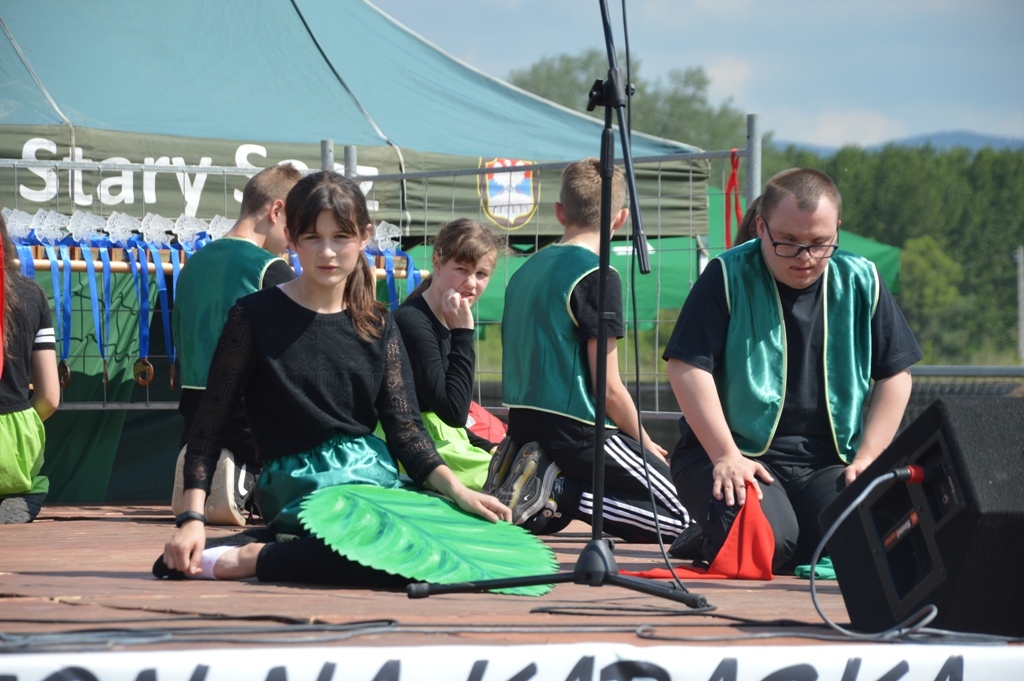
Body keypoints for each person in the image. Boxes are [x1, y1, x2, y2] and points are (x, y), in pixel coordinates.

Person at [158, 171, 510, 583]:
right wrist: (191, 520)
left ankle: (279, 548)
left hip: (372, 479)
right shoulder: (253, 316)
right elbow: (207, 427)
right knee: (394, 555)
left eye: (341, 237)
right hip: (298, 485)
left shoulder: (378, 322)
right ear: (292, 238)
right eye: (313, 237)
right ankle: (257, 558)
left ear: (363, 237)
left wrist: (458, 492)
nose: (327, 251)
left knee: (467, 540)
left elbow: (406, 431)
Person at [663, 168, 922, 572]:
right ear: (761, 228)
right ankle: (721, 532)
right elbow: (685, 366)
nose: (805, 257)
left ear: (837, 228)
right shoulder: (726, 274)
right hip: (732, 454)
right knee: (769, 545)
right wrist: (726, 454)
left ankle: (756, 531)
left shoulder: (862, 278)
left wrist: (869, 456)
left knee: (873, 539)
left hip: (826, 463)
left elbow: (895, 374)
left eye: (819, 243)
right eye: (788, 241)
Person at [488, 157, 691, 544]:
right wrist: (644, 442)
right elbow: (608, 389)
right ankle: (559, 491)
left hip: (523, 427)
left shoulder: (525, 270)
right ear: (621, 219)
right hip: (577, 431)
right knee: (685, 518)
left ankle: (542, 483)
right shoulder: (597, 274)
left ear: (559, 212)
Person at [171, 163, 301, 525]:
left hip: (194, 414)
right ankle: (246, 477)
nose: (294, 239)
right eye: (295, 225)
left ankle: (205, 469)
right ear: (276, 210)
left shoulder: (191, 265)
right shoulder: (272, 269)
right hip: (250, 418)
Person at [392, 219, 504, 490]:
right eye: (462, 269)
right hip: (410, 443)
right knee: (509, 482)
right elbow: (453, 412)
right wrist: (463, 334)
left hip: (442, 436)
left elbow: (453, 417)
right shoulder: (412, 322)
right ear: (438, 263)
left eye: (481, 274)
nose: (471, 283)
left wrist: (487, 446)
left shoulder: (447, 315)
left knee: (515, 465)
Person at [0, 213, 60, 524]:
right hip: (18, 446)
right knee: (28, 481)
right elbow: (50, 398)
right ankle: (23, 493)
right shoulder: (33, 294)